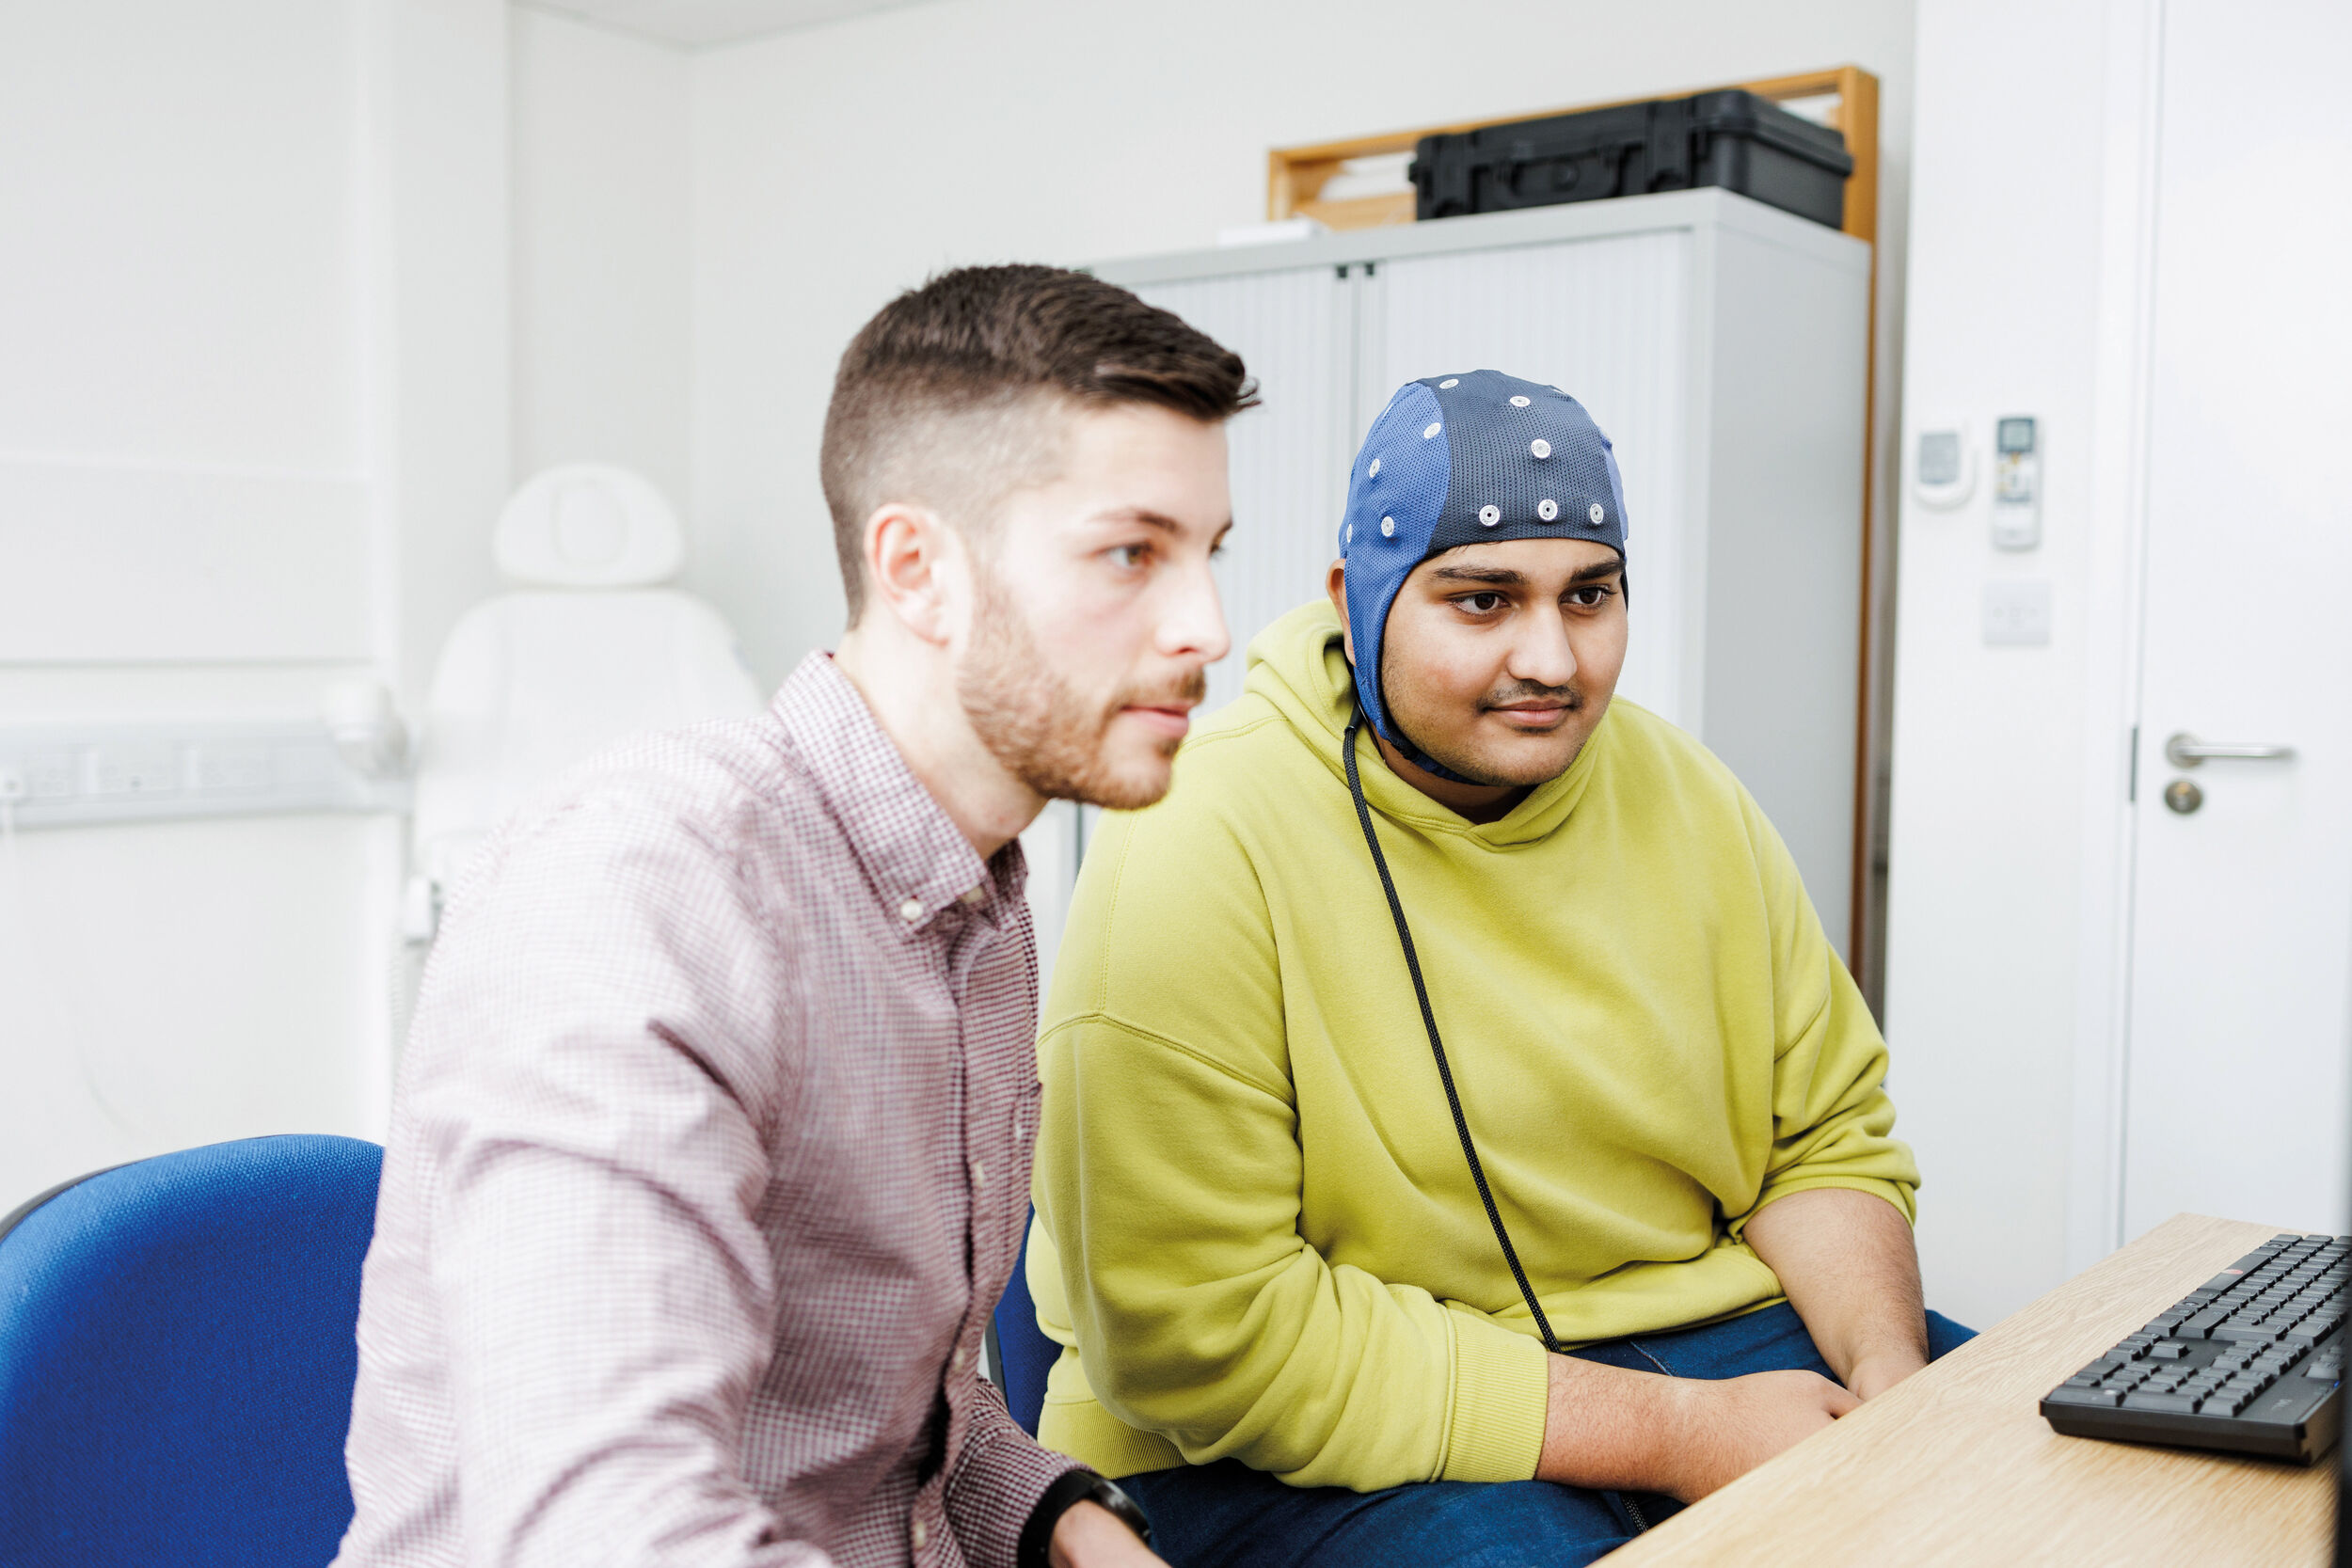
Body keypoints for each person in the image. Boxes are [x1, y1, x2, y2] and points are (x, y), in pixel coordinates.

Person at [333, 264, 1251, 1568]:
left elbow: (895, 1409)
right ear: (918, 567)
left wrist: (1067, 1518)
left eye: (1209, 555)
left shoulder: (976, 906)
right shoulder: (646, 891)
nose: (1205, 626)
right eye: (1131, 554)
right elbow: (608, 1532)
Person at [1025, 370, 1972, 1566]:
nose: (1551, 658)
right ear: (1355, 602)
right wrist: (1680, 1433)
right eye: (1481, 601)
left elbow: (1820, 1138)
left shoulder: (1690, 795)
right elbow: (1203, 1338)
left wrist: (1891, 1372)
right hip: (1282, 1425)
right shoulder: (1191, 843)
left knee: (2027, 1468)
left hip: (1701, 1338)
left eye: (1591, 596)